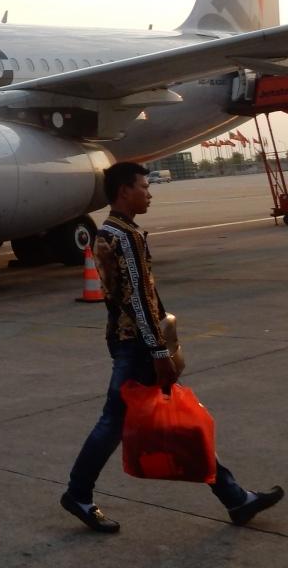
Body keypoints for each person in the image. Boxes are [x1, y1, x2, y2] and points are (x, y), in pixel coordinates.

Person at [62, 161, 283, 533]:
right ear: (124, 191)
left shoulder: (107, 232)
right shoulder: (125, 236)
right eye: (144, 187)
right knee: (125, 422)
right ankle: (78, 493)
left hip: (125, 340)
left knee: (176, 419)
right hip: (138, 347)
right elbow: (138, 299)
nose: (149, 194)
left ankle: (234, 497)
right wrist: (159, 350)